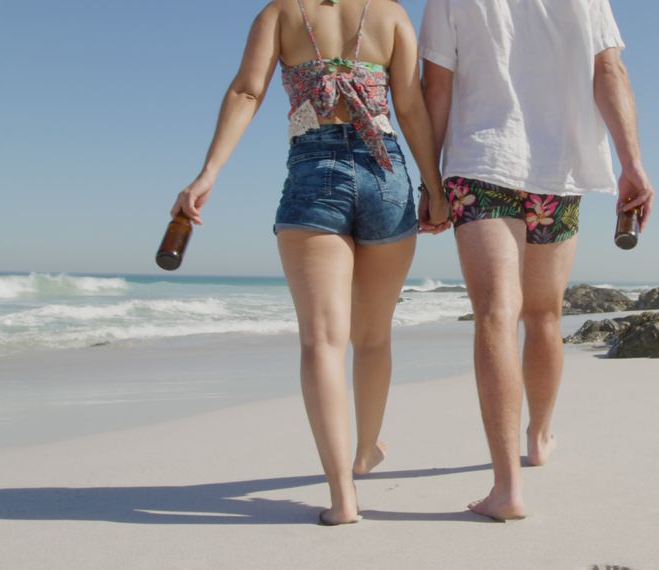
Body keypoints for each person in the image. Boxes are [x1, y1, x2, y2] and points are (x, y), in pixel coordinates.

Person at [171, 0, 451, 526]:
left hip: (314, 171)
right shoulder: (390, 15)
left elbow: (246, 91)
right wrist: (433, 188)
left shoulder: (280, 14)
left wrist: (207, 173)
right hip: (386, 173)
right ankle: (366, 449)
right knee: (373, 337)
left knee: (321, 341)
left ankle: (343, 497)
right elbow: (410, 106)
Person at [419, 0, 654, 521]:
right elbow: (608, 68)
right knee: (544, 313)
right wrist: (632, 163)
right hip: (558, 167)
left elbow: (436, 85)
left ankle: (506, 488)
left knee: (495, 313)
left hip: (479, 162)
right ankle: (540, 436)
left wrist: (431, 182)